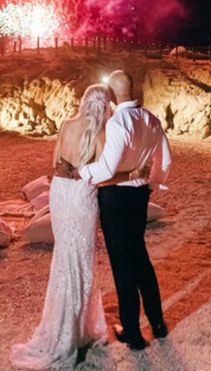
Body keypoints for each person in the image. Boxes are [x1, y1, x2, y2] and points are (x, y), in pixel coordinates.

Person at [10, 83, 138, 370]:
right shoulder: (102, 134)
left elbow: (56, 161)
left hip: (59, 192)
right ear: (105, 106)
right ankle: (71, 332)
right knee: (80, 260)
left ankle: (70, 327)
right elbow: (103, 177)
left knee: (65, 258)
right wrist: (130, 173)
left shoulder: (67, 124)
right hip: (81, 196)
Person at [56, 70, 171, 351]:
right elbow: (165, 160)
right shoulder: (152, 119)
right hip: (140, 196)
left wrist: (79, 172)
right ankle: (157, 323)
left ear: (113, 92)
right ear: (133, 88)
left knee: (122, 264)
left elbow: (106, 169)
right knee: (140, 257)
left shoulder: (118, 122)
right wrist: (151, 183)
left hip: (116, 197)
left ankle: (131, 332)